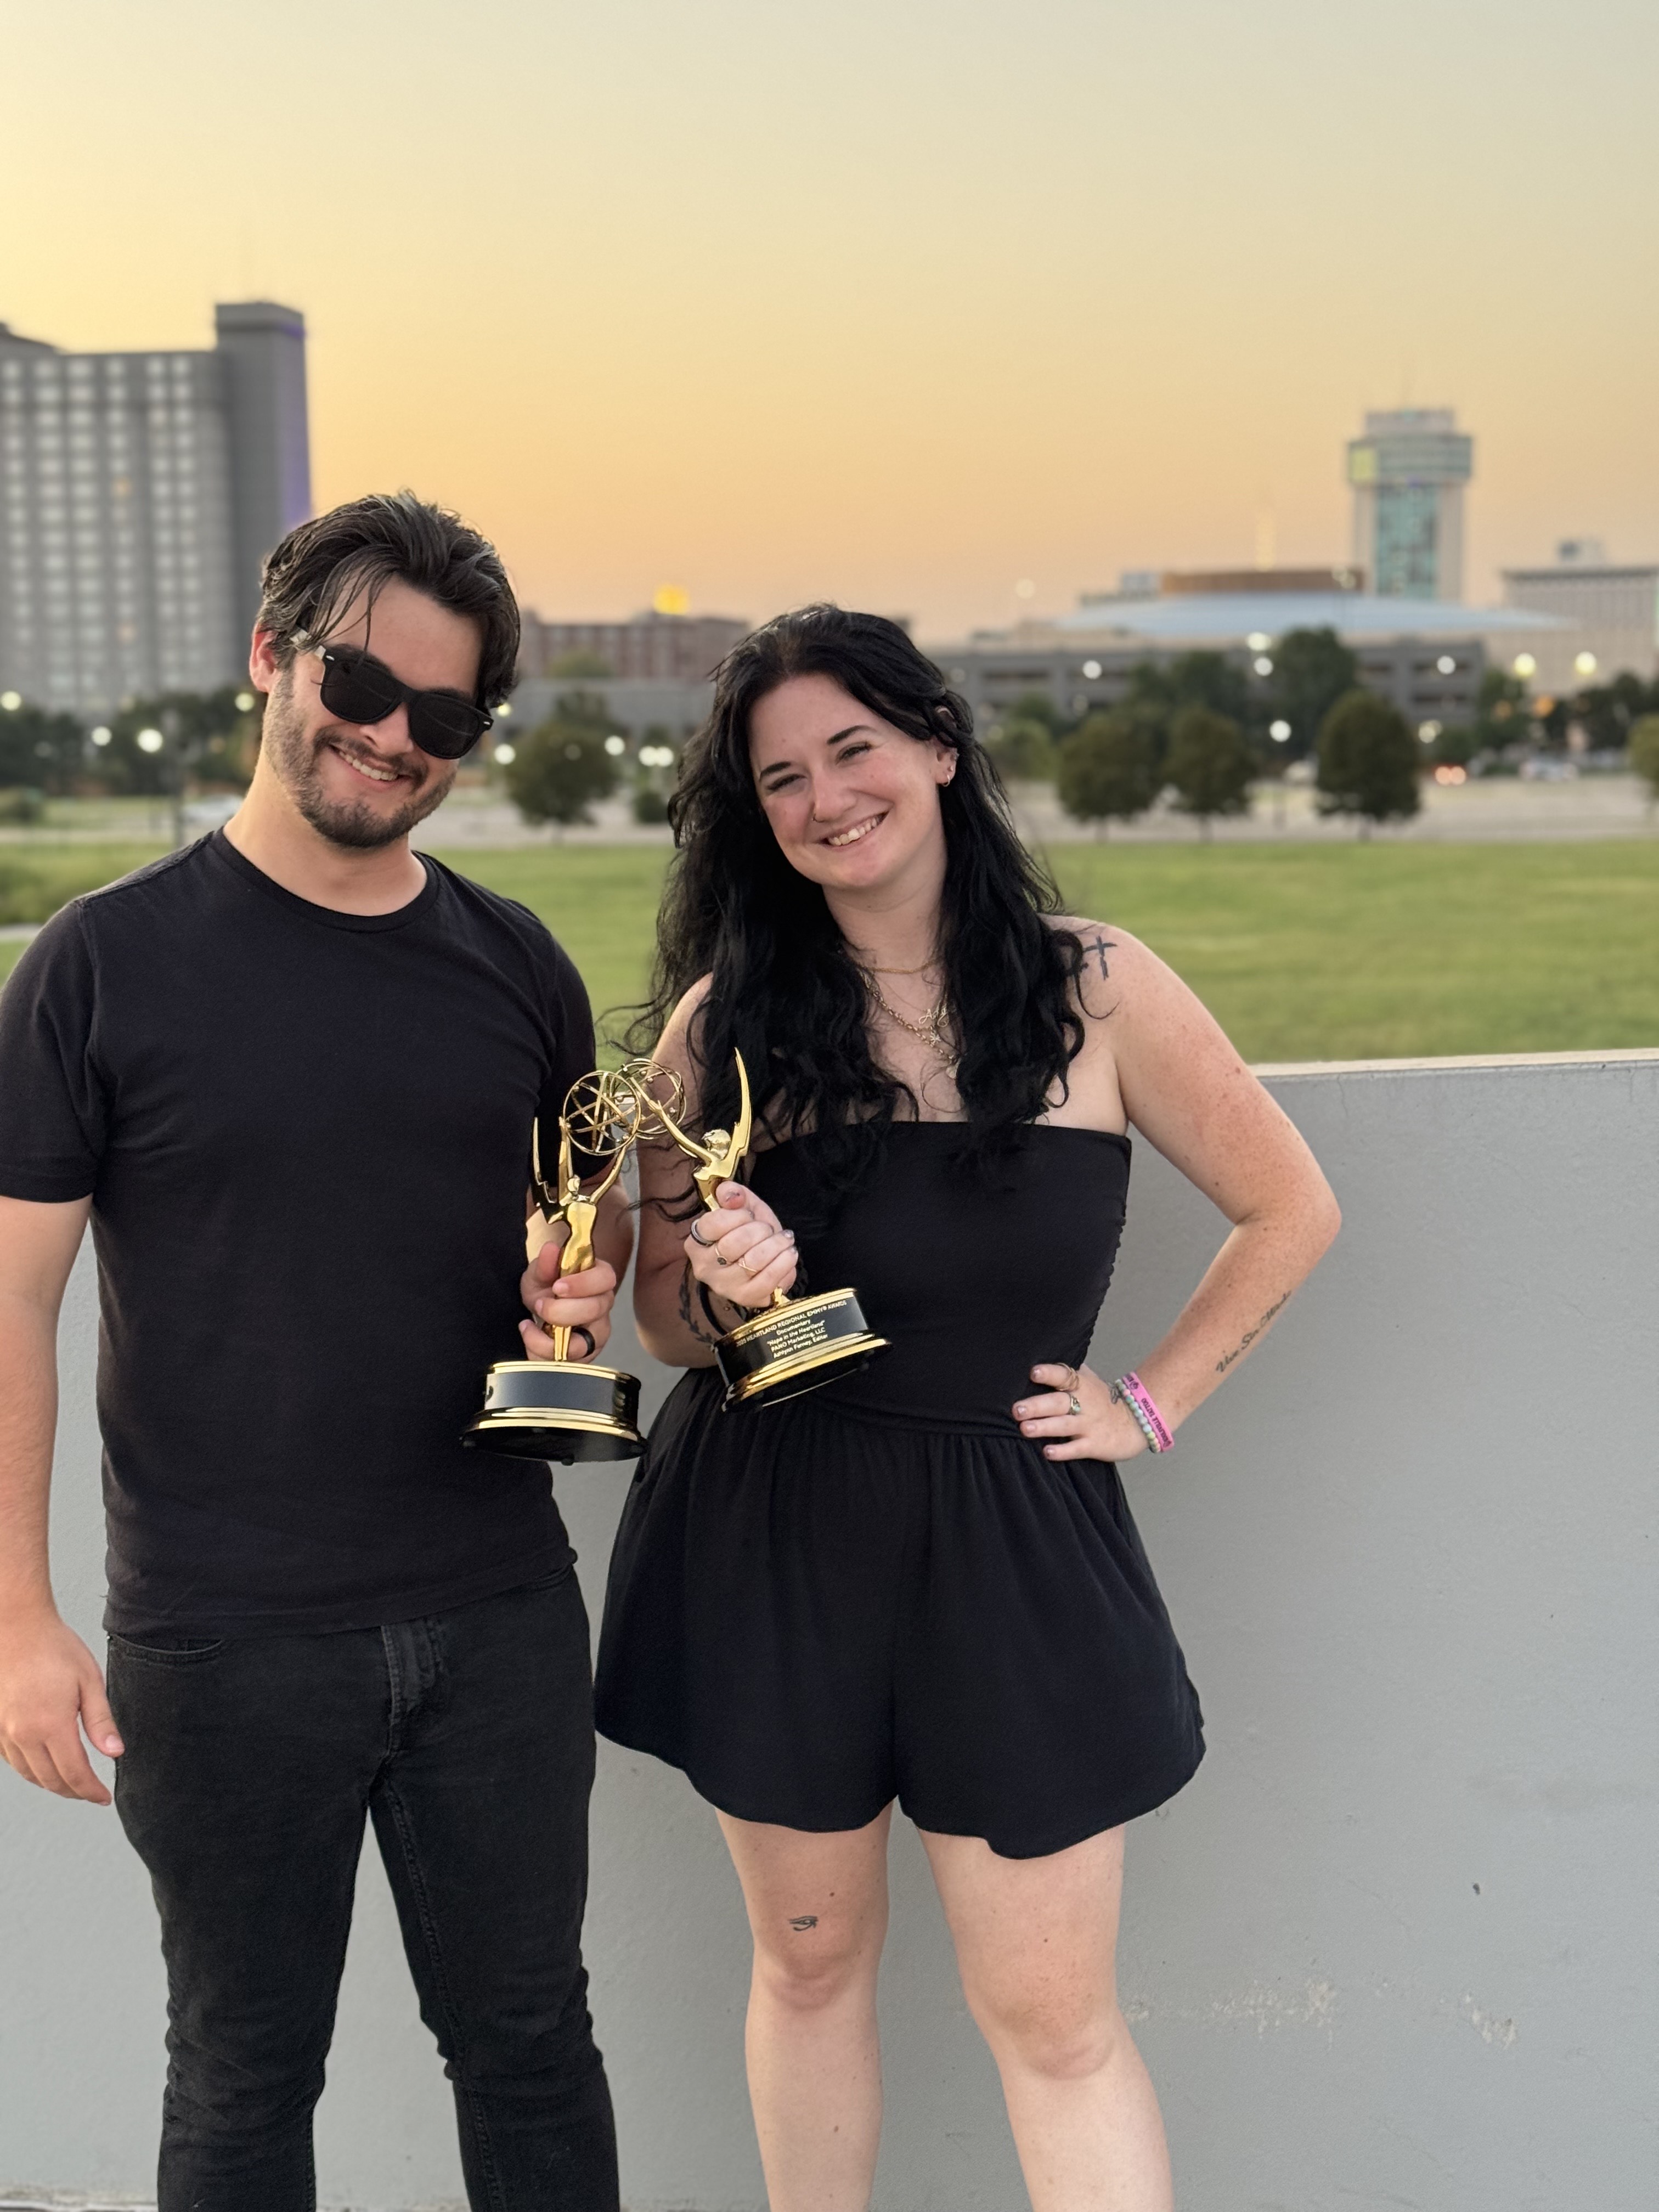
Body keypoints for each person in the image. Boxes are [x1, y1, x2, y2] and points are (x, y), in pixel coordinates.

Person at [594, 606, 1341, 2211]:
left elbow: (1293, 1208)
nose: (824, 797)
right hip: (775, 1538)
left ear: (937, 746)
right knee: (806, 1972)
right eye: (780, 777)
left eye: (852, 748)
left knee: (1054, 2021)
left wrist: (1152, 1401)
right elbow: (663, 1324)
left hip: (1010, 1550)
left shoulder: (1102, 989)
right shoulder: (723, 1028)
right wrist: (728, 1286)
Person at [0, 492, 627, 2211]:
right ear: (273, 655)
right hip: (221, 1640)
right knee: (245, 2075)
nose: (395, 737)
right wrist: (13, 1616)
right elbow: (12, 1300)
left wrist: (584, 1292)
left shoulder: (518, 968)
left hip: (498, 1611)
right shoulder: (100, 967)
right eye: (364, 681)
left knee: (530, 2046)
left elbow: (591, 1241)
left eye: (447, 717)